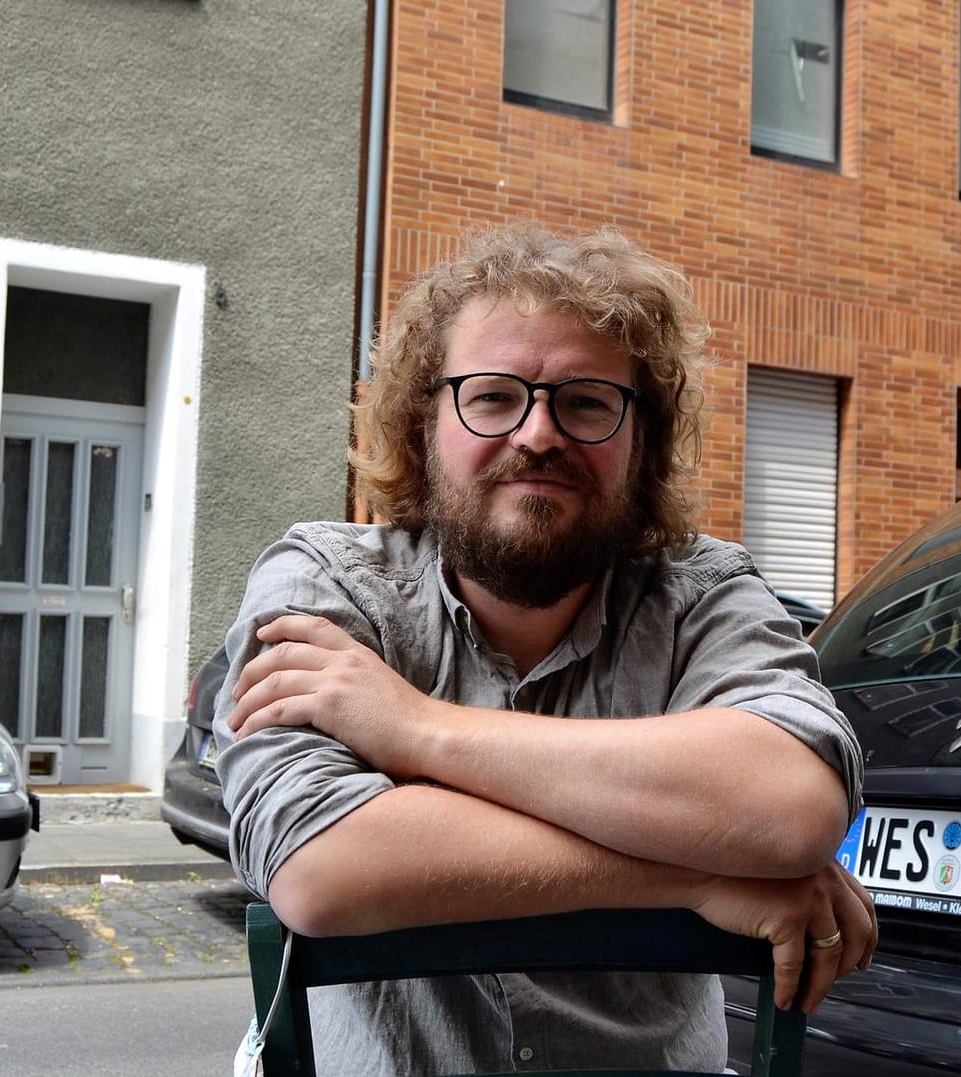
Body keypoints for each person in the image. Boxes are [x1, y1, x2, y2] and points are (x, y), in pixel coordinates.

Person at [215, 222, 872, 1074]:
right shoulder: (327, 584)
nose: (538, 433)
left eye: (586, 402)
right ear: (423, 424)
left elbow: (790, 806)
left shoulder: (703, 592)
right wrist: (698, 876)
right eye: (492, 396)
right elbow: (320, 866)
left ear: (644, 443)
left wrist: (418, 730)